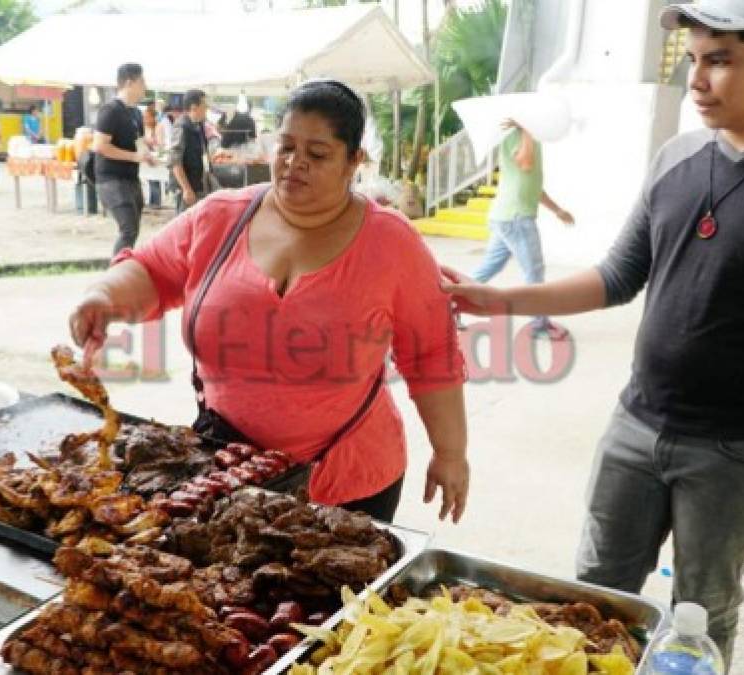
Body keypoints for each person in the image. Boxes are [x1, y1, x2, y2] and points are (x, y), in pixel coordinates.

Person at [442, 0, 744, 664]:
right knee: (591, 597)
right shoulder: (676, 156)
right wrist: (497, 300)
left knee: (702, 612)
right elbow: (618, 274)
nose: (697, 81)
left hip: (741, 451)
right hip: (636, 427)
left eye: (721, 61)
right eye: (694, 61)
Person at [70, 79, 470, 524]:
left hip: (349, 479)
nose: (295, 164)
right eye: (286, 147)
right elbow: (151, 270)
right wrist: (102, 295)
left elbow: (432, 352)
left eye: (317, 155)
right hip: (227, 470)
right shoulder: (219, 215)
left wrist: (450, 452)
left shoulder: (392, 241)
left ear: (354, 161)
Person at [470, 119, 575, 339]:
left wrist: (558, 210)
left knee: (489, 268)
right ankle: (539, 325)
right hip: (515, 218)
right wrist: (527, 128)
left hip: (507, 216)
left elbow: (533, 185)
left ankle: (448, 304)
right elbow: (525, 163)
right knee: (534, 271)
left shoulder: (530, 138)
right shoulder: (516, 136)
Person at [94, 63, 155, 255]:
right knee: (128, 228)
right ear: (129, 83)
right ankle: (115, 275)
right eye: (142, 81)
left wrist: (147, 150)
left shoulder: (136, 112)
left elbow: (137, 141)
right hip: (112, 179)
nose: (145, 86)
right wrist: (134, 156)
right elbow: (100, 146)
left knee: (133, 228)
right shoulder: (110, 110)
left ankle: (122, 269)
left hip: (131, 177)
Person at [169, 89, 210, 214]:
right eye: (204, 105)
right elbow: (175, 161)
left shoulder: (199, 125)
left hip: (198, 183)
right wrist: (186, 189)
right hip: (186, 188)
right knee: (184, 225)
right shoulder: (181, 127)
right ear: (194, 107)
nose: (206, 108)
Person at [142, 103, 163, 208]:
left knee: (155, 178)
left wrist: (149, 142)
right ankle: (151, 201)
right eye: (144, 117)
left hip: (156, 156)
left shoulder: (159, 127)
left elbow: (160, 143)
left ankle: (156, 202)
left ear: (153, 117)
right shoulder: (144, 128)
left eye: (147, 117)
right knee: (149, 178)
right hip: (146, 156)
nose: (145, 119)